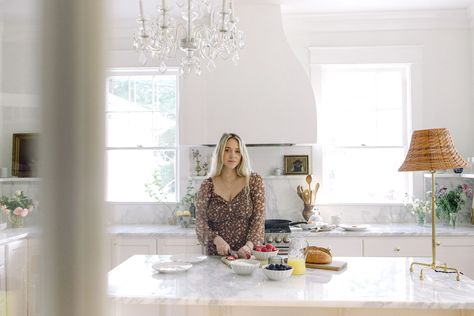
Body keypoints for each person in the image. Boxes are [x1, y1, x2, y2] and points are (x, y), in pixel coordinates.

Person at [195, 133, 265, 258]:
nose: (232, 155)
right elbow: (201, 224)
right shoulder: (207, 185)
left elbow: (258, 220)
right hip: (216, 257)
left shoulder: (254, 181)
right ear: (220, 153)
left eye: (237, 151)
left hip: (247, 257)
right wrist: (217, 240)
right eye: (227, 150)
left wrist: (248, 246)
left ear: (242, 155)